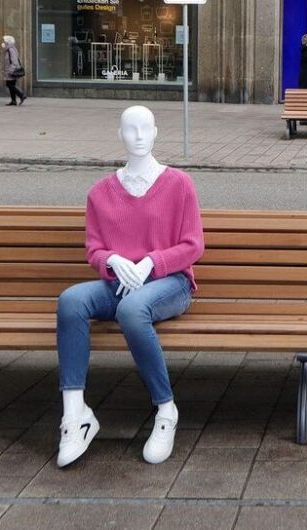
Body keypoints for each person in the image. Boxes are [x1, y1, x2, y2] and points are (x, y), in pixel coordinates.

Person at [56, 106, 205, 468]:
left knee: (132, 310)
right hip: (119, 285)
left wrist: (152, 262)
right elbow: (93, 249)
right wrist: (111, 260)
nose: (138, 136)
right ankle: (75, 415)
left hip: (170, 284)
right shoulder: (100, 192)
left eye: (145, 128)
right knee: (71, 301)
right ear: (119, 134)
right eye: (130, 129)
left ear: (156, 132)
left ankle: (166, 410)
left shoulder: (179, 184)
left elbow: (193, 246)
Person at [1, 36, 26, 107]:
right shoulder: (10, 49)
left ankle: (21, 95)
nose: (3, 43)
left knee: (9, 84)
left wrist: (11, 71)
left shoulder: (11, 50)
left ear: (8, 42)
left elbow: (14, 61)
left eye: (5, 41)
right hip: (10, 70)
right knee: (11, 85)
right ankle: (13, 101)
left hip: (11, 70)